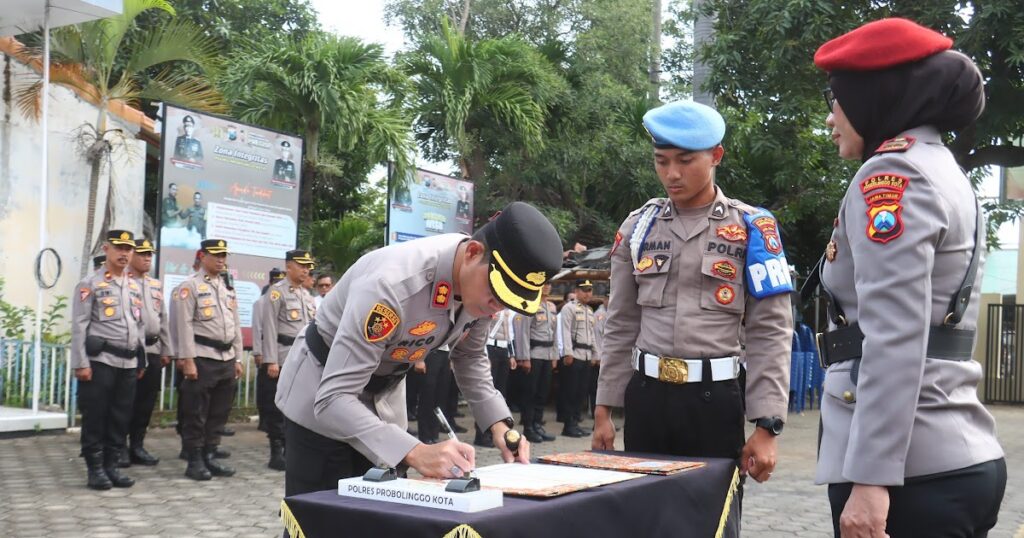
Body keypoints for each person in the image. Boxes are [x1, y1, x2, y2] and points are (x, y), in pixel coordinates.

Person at [812, 18, 1005, 537]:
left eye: (835, 99)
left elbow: (895, 335)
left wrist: (871, 480)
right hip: (946, 457)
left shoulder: (891, 176)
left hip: (908, 477)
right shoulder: (940, 165)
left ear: (873, 96)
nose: (830, 118)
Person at [592, 100, 794, 536]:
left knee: (711, 523)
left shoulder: (753, 228)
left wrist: (767, 425)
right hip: (647, 399)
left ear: (716, 155)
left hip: (714, 402)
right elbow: (621, 322)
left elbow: (771, 331)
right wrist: (604, 407)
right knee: (644, 519)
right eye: (661, 162)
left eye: (685, 161)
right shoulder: (638, 227)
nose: (672, 175)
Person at [275, 202, 562, 497]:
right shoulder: (392, 286)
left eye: (509, 300)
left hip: (384, 399)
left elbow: (470, 356)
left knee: (376, 516)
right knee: (320, 520)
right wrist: (416, 451)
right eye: (497, 292)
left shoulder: (481, 289)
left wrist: (501, 426)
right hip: (320, 398)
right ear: (473, 252)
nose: (497, 306)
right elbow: (334, 397)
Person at [71, 230, 145, 490]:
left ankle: (112, 466)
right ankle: (95, 469)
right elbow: (80, 326)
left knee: (120, 417)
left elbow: (139, 325)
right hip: (100, 361)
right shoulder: (89, 284)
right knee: (96, 417)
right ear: (106, 249)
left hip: (128, 363)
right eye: (119, 248)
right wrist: (81, 363)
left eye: (129, 249)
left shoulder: (134, 285)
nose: (125, 253)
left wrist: (141, 360)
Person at [171, 239, 243, 481]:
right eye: (216, 255)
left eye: (224, 255)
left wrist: (239, 358)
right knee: (196, 412)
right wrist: (187, 359)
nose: (221, 259)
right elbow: (184, 325)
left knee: (218, 413)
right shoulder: (189, 287)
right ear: (202, 256)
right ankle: (194, 460)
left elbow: (235, 325)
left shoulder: (226, 287)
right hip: (202, 357)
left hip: (226, 358)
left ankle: (210, 455)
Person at [259, 250, 317, 470]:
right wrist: (271, 361)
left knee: (298, 406)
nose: (306, 270)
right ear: (289, 266)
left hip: (304, 358)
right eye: (301, 265)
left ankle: (291, 449)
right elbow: (270, 328)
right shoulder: (276, 293)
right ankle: (276, 451)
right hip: (283, 356)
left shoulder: (306, 295)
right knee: (278, 408)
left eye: (307, 266)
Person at [123, 238, 171, 466]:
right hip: (133, 351)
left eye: (149, 255)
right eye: (142, 254)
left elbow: (163, 318)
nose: (146, 258)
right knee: (126, 401)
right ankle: (120, 446)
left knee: (146, 402)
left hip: (153, 348)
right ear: (132, 256)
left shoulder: (155, 284)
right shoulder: (124, 282)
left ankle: (138, 445)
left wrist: (166, 349)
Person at [512, 283, 559, 443]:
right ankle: (528, 427)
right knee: (530, 393)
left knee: (542, 392)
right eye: (544, 284)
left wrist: (554, 356)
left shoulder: (551, 306)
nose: (547, 287)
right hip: (534, 353)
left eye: (549, 284)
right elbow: (523, 332)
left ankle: (538, 424)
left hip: (547, 354)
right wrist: (524, 357)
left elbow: (554, 333)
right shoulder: (529, 304)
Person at [557, 280, 599, 437]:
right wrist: (567, 352)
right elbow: (565, 331)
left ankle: (575, 422)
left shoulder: (589, 310)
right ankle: (568, 425)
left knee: (581, 392)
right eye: (584, 290)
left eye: (590, 290)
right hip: (574, 354)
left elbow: (592, 335)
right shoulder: (569, 308)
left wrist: (596, 354)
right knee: (571, 391)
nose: (588, 293)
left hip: (586, 355)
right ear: (577, 291)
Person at [473, 308, 515, 447]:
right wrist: (484, 354)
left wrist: (511, 354)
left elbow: (510, 332)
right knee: (486, 392)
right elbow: (482, 331)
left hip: (503, 349)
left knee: (500, 394)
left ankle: (496, 432)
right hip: (490, 348)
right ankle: (482, 434)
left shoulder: (509, 309)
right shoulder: (492, 307)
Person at [252, 268, 285, 433]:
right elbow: (258, 328)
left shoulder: (282, 297)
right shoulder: (262, 301)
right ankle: (264, 419)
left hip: (280, 349)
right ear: (271, 282)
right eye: (276, 281)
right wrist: (258, 351)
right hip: (266, 350)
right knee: (265, 389)